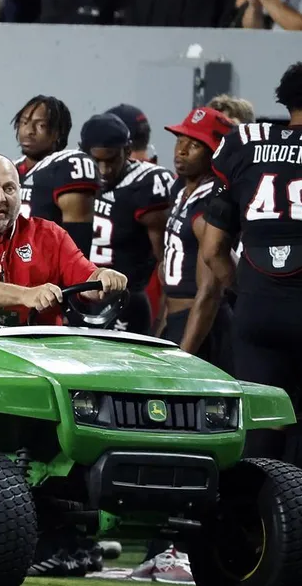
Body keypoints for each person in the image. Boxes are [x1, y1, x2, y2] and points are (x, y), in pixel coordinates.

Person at [202, 62, 302, 462]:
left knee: (262, 422)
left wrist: (248, 292)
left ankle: (253, 521)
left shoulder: (245, 144)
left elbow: (212, 250)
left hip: (257, 305)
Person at [0, 153, 127, 332]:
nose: (0, 198)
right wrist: (26, 295)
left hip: (40, 352)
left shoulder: (50, 235)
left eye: (9, 189)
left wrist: (103, 279)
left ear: (19, 193)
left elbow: (87, 281)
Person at [82, 114, 173, 334]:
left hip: (125, 301)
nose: (103, 170)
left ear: (128, 150)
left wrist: (162, 321)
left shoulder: (147, 184)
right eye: (96, 161)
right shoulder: (73, 178)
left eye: (111, 160)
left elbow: (168, 265)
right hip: (80, 296)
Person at [159, 106, 234, 365]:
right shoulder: (182, 190)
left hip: (200, 322)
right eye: (180, 140)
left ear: (214, 153)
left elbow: (210, 291)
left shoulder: (211, 201)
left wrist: (184, 359)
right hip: (177, 317)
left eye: (195, 145)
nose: (181, 150)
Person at [13, 95, 99, 257]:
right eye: (24, 123)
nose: (29, 131)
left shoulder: (67, 166)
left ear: (57, 132)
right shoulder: (10, 168)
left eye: (41, 125)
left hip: (50, 273)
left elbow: (77, 244)